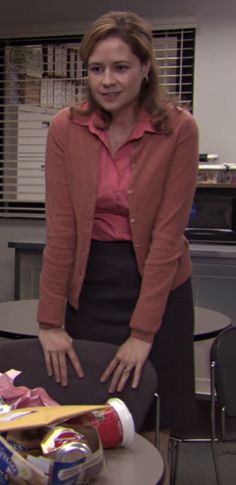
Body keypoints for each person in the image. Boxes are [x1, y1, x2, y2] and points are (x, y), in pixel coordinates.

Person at [37, 10, 198, 483]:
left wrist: (143, 334)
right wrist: (50, 321)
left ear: (146, 67)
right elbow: (61, 230)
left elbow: (168, 237)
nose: (107, 81)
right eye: (96, 69)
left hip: (158, 280)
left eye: (121, 67)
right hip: (90, 281)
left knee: (154, 415)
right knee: (89, 411)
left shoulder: (178, 129)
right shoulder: (67, 128)